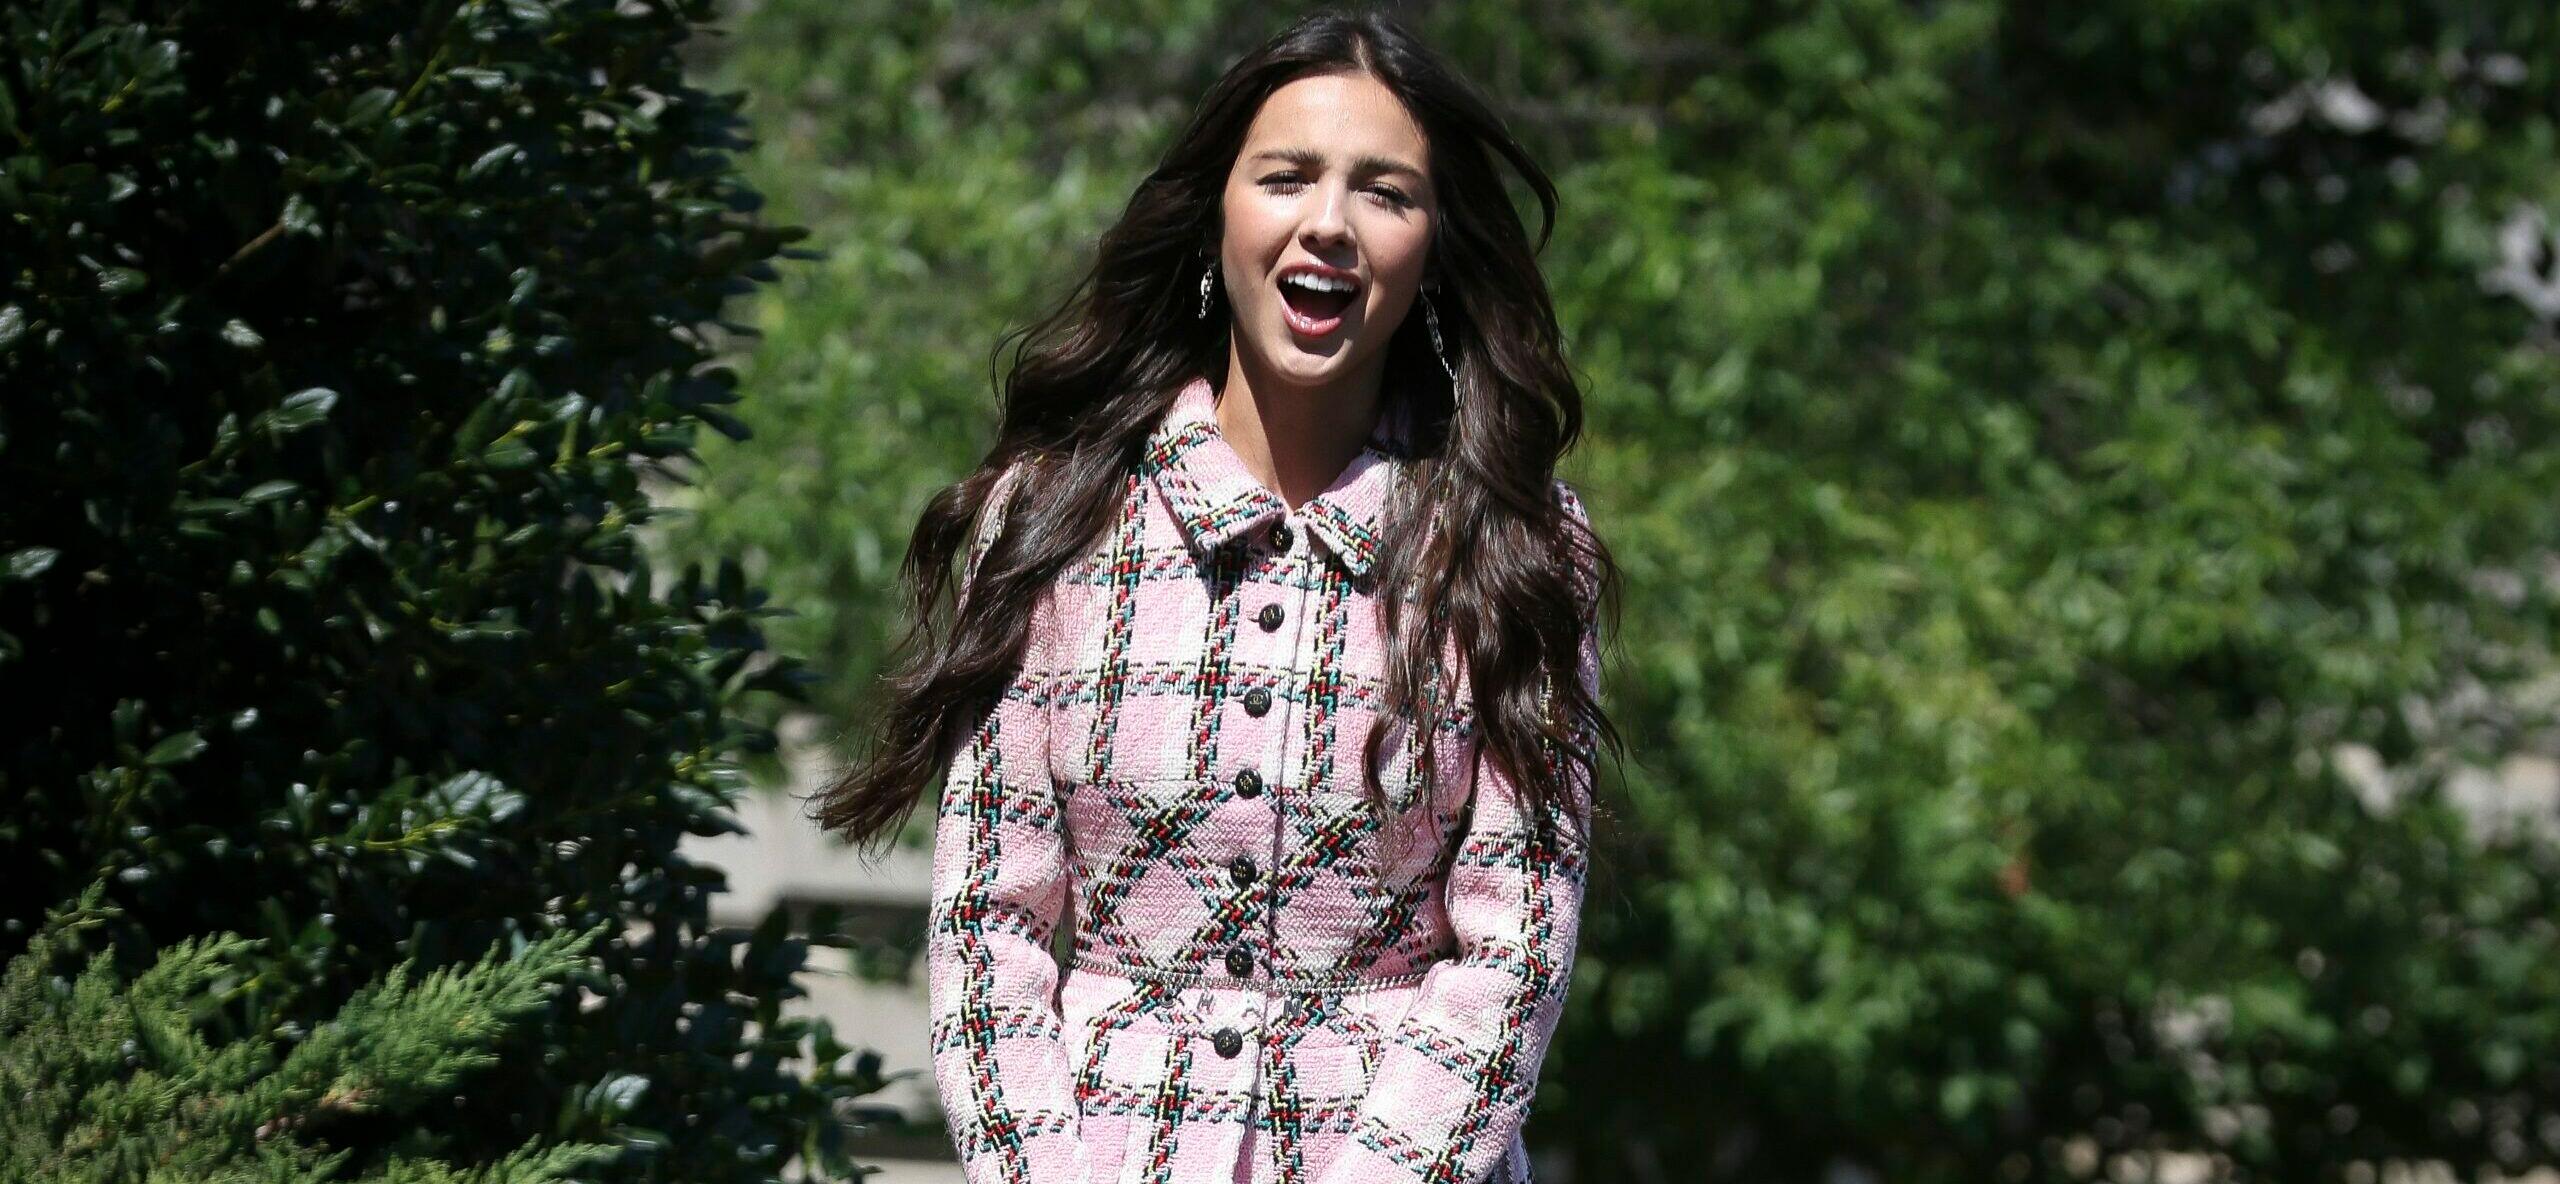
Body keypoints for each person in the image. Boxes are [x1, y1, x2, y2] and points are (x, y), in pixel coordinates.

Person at [811, 8, 1622, 1183]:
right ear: (1217, 216)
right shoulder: (1051, 520)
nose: (1328, 224)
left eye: (1384, 192)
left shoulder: (1522, 551)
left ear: (1433, 249)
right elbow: (991, 922)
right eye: (1286, 177)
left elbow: (1514, 951)